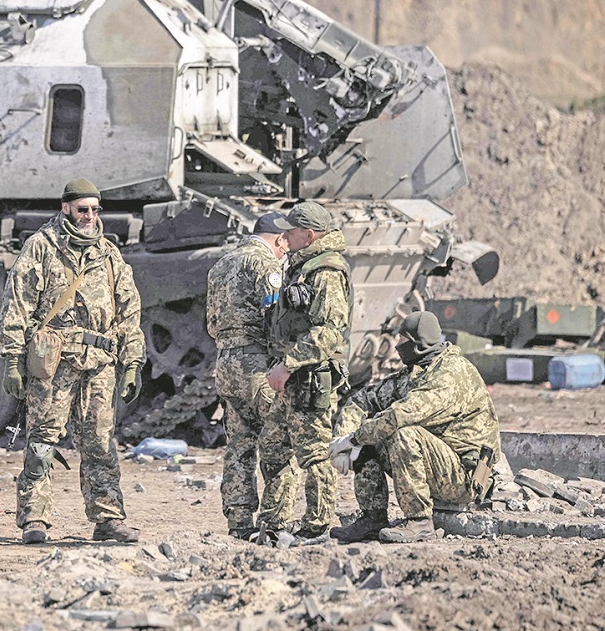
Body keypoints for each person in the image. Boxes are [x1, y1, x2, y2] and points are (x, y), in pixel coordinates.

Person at [0, 178, 145, 545]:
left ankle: (107, 518)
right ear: (66, 208)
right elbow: (17, 304)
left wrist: (132, 362)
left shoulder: (109, 253)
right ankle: (35, 518)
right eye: (82, 209)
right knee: (43, 440)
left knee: (99, 442)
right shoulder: (41, 248)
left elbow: (129, 311)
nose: (90, 216)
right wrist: (13, 360)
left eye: (95, 210)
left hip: (99, 363)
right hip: (54, 361)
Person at [328, 311, 501, 543]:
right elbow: (363, 400)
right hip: (440, 466)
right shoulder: (419, 370)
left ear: (418, 344)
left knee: (403, 434)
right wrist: (343, 441)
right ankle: (372, 518)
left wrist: (354, 439)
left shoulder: (451, 374)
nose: (397, 346)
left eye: (402, 341)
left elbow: (401, 415)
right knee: (373, 437)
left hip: (465, 478)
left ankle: (419, 522)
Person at [259, 201, 350, 543]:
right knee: (274, 448)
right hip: (292, 376)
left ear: (309, 235)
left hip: (310, 377)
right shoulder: (303, 266)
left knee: (313, 453)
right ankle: (274, 521)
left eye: (291, 230)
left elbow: (328, 331)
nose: (285, 235)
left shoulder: (326, 271)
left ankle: (318, 525)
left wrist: (286, 365)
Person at [205, 211, 294, 540]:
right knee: (276, 440)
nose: (287, 249)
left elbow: (211, 323)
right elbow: (275, 319)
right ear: (279, 238)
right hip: (259, 365)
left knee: (239, 443)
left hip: (226, 363)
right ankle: (274, 522)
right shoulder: (267, 265)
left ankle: (239, 519)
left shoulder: (220, 266)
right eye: (286, 242)